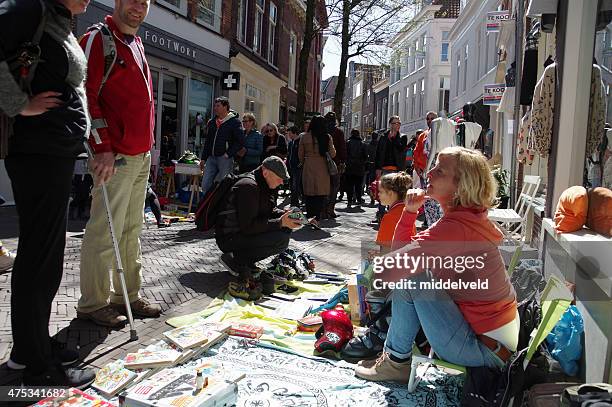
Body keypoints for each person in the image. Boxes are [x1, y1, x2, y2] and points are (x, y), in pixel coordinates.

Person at [355, 147, 518, 383]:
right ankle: (395, 359)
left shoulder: (456, 227)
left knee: (412, 277)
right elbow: (403, 256)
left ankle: (395, 362)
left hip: (484, 351)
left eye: (439, 170)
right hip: (492, 342)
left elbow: (391, 269)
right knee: (415, 273)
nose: (429, 173)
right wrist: (410, 212)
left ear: (461, 184)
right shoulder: (467, 217)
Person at [0, 0, 96, 387]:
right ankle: (33, 361)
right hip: (37, 152)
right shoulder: (26, 8)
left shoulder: (57, 18)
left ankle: (35, 346)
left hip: (53, 152)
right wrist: (19, 106)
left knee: (47, 254)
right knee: (38, 256)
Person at [77, 0, 161, 328]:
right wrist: (102, 149)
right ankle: (92, 303)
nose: (138, 7)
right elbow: (84, 95)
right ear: (117, 2)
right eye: (132, 0)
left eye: (144, 2)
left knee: (130, 230)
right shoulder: (99, 38)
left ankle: (127, 295)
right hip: (116, 156)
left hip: (140, 156)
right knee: (103, 231)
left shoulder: (136, 43)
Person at [216, 156, 302, 278]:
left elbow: (269, 210)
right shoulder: (248, 187)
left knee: (285, 230)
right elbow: (249, 227)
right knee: (281, 238)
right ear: (266, 172)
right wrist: (280, 222)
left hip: (240, 233)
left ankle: (246, 260)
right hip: (229, 238)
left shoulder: (263, 184)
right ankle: (236, 259)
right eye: (279, 178)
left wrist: (285, 214)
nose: (281, 182)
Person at [200, 97, 245, 195]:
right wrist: (203, 158)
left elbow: (240, 141)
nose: (215, 108)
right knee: (205, 184)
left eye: (218, 106)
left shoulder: (234, 122)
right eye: (215, 106)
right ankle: (206, 207)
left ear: (225, 107)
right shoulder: (212, 122)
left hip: (224, 158)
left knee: (223, 185)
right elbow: (208, 142)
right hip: (211, 158)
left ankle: (220, 207)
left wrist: (228, 154)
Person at [299, 116, 336, 227]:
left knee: (309, 193)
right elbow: (333, 154)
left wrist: (304, 161)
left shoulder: (304, 137)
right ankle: (317, 218)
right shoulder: (327, 137)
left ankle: (310, 217)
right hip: (322, 166)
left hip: (309, 165)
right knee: (320, 194)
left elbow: (300, 154)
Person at [374, 116, 408, 222]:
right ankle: (380, 215)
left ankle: (392, 215)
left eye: (398, 123)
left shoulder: (402, 137)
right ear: (390, 124)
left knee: (394, 193)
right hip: (384, 168)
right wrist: (377, 168)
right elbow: (378, 153)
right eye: (394, 123)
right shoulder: (383, 137)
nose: (396, 125)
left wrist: (394, 138)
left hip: (396, 169)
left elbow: (401, 150)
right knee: (384, 191)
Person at [375, 172, 414, 254]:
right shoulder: (406, 210)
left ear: (390, 193)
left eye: (381, 192)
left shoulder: (389, 217)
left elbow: (386, 250)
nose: (378, 194)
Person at [323, 112, 346, 218]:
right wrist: (342, 161)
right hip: (335, 163)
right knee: (334, 186)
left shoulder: (322, 131)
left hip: (322, 163)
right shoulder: (339, 132)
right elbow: (342, 148)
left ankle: (323, 209)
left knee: (324, 187)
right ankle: (330, 209)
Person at [345, 129, 368, 208]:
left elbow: (345, 155)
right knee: (358, 185)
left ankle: (349, 201)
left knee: (350, 185)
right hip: (359, 168)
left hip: (349, 168)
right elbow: (365, 156)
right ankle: (358, 200)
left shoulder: (348, 143)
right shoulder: (362, 144)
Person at [286, 125, 302, 207]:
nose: (288, 135)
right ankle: (294, 202)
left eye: (290, 133)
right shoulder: (291, 143)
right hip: (291, 167)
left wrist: (301, 163)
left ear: (294, 133)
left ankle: (295, 203)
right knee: (292, 186)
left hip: (297, 167)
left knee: (295, 186)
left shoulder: (300, 142)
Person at [366, 132, 379, 205]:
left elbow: (367, 155)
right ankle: (378, 197)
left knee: (371, 182)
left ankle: (372, 198)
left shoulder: (369, 145)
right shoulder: (380, 145)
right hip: (378, 166)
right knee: (379, 183)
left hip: (371, 165)